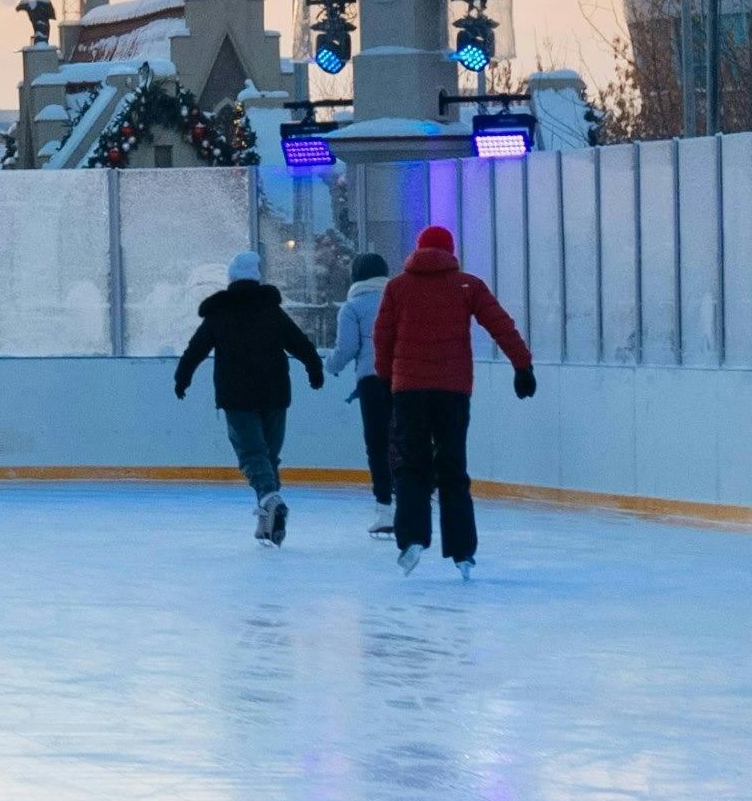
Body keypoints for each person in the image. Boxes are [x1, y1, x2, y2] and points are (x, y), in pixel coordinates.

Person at [365, 222, 532, 571]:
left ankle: (412, 537)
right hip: (453, 390)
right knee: (452, 466)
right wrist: (522, 365)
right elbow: (501, 324)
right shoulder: (467, 285)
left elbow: (382, 335)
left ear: (418, 250)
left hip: (409, 389)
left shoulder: (398, 286)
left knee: (411, 463)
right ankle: (462, 550)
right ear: (450, 251)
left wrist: (384, 378)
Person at [169, 244, 331, 545]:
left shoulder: (219, 312)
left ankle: (269, 499)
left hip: (237, 397)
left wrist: (182, 378)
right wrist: (314, 369)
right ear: (256, 278)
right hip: (275, 395)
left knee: (252, 454)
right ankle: (267, 521)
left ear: (231, 279)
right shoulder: (271, 311)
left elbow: (196, 349)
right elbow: (299, 342)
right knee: (268, 456)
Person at [327, 242, 400, 533]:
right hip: (404, 377)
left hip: (371, 380)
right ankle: (410, 500)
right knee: (404, 439)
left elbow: (346, 348)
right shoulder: (399, 300)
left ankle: (385, 510)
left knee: (377, 444)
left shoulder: (352, 307)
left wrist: (331, 366)